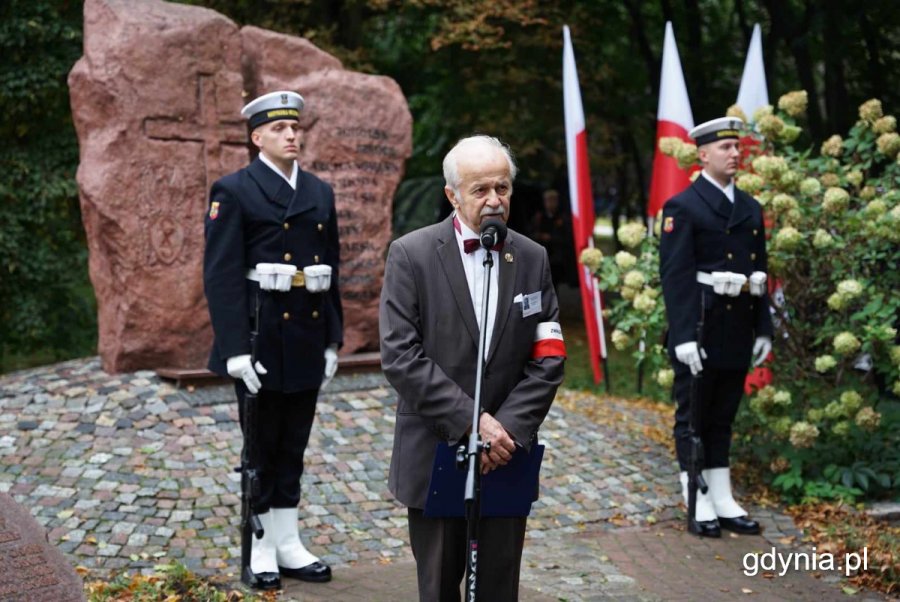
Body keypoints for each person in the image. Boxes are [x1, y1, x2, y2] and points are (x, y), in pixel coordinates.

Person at [379, 135, 566, 601]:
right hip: (436, 450)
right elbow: (401, 355)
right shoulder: (411, 254)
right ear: (453, 195)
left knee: (499, 588)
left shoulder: (531, 257)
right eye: (480, 190)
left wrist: (504, 430)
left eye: (502, 188)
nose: (494, 200)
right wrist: (471, 423)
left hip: (507, 451)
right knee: (440, 586)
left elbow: (549, 357)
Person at [203, 90, 341, 589]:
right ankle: (260, 545)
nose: (291, 135)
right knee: (261, 445)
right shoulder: (234, 190)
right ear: (256, 136)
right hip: (260, 340)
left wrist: (333, 340)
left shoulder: (320, 192)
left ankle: (289, 541)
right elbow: (220, 277)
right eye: (280, 129)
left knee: (294, 445)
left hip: (305, 334)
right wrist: (235, 350)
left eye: (295, 128)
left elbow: (332, 271)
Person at [659, 117, 772, 538]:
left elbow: (760, 272)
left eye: (737, 147)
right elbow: (675, 276)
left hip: (738, 325)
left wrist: (764, 329)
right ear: (703, 155)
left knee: (724, 414)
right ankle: (696, 492)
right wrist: (684, 335)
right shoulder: (683, 207)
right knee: (694, 414)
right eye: (725, 148)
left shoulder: (750, 207)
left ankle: (722, 494)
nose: (734, 153)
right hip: (702, 326)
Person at [528, 189, 574, 288]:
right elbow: (530, 235)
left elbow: (567, 237)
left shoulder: (562, 218)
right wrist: (540, 236)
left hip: (556, 258)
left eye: (553, 200)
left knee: (554, 284)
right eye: (548, 200)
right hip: (541, 255)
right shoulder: (539, 217)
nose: (551, 203)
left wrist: (551, 238)